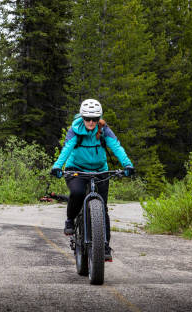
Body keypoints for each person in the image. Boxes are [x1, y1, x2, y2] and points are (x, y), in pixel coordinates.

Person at [50, 99, 134, 262]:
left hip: (100, 170)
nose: (91, 122)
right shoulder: (75, 130)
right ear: (82, 117)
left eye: (94, 119)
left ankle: (104, 245)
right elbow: (66, 149)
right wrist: (57, 166)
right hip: (76, 169)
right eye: (87, 118)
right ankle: (70, 220)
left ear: (99, 118)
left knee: (102, 208)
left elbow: (117, 147)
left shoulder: (104, 130)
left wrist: (127, 164)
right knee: (77, 192)